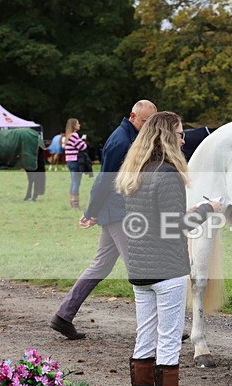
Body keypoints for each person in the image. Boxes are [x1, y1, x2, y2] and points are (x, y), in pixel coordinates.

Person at [116, 111, 222, 386]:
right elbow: (176, 226)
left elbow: (157, 219)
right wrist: (208, 210)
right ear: (166, 137)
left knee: (144, 337)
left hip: (139, 268)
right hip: (167, 268)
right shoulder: (169, 173)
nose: (183, 138)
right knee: (168, 340)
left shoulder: (137, 172)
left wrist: (186, 212)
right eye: (178, 133)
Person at [49, 100, 158, 340]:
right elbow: (104, 180)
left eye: (152, 122)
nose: (148, 126)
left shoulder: (134, 137)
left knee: (101, 265)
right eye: (144, 122)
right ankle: (160, 327)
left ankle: (63, 316)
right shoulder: (121, 141)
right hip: (118, 212)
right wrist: (91, 212)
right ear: (132, 116)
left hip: (118, 210)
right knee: (141, 270)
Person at [64, 119, 87, 208]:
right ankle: (75, 203)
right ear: (74, 125)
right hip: (75, 161)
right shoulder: (74, 135)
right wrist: (83, 140)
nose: (79, 125)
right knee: (76, 182)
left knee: (73, 182)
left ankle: (72, 201)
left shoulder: (68, 136)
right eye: (78, 123)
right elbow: (82, 146)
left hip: (70, 161)